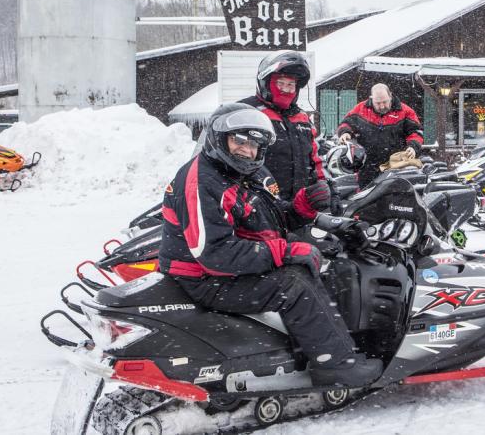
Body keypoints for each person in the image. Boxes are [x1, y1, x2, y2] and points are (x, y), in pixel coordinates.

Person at [158, 103, 382, 387]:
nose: (247, 150)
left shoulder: (236, 173)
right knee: (293, 284)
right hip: (203, 278)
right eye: (239, 140)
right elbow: (214, 254)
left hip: (219, 269)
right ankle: (335, 366)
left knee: (320, 263)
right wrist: (284, 251)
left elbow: (265, 221)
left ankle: (305, 348)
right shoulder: (202, 181)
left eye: (254, 145)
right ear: (218, 138)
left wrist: (301, 207)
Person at [239, 50, 337, 221]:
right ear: (266, 83)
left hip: (299, 209)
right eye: (280, 83)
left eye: (291, 85)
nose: (286, 89)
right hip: (258, 208)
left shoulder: (302, 118)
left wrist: (328, 188)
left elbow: (315, 161)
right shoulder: (247, 112)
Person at [337, 83, 424, 188]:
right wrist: (345, 132)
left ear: (390, 96)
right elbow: (346, 123)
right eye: (378, 103)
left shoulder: (405, 111)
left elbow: (416, 132)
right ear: (371, 98)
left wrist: (413, 146)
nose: (382, 106)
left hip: (396, 166)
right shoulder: (361, 109)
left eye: (385, 102)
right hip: (367, 167)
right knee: (366, 199)